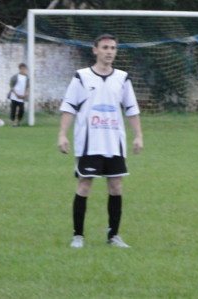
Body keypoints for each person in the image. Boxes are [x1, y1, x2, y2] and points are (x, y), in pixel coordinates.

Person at [57, 33, 144, 249]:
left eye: (113, 48)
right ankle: (78, 236)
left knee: (116, 187)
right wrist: (62, 134)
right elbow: (69, 107)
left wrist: (138, 135)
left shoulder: (122, 78)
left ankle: (113, 235)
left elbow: (131, 109)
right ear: (95, 50)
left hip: (114, 142)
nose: (109, 52)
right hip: (89, 143)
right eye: (105, 47)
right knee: (84, 185)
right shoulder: (82, 77)